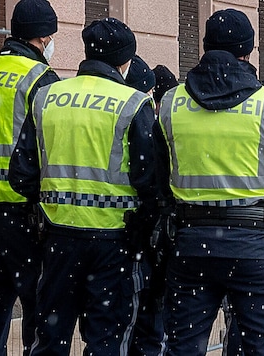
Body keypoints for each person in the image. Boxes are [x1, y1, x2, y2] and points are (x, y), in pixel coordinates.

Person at [154, 8, 264, 356]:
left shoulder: (171, 102)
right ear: (248, 52)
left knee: (182, 347)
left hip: (190, 246)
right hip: (257, 248)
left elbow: (155, 176)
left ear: (205, 48)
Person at [9, 17, 158, 355]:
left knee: (50, 338)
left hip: (58, 238)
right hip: (114, 242)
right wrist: (144, 225)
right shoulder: (133, 104)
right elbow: (151, 182)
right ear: (125, 61)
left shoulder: (47, 97)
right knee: (106, 339)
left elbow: (21, 173)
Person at [0, 0, 60, 354]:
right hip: (27, 214)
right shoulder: (40, 79)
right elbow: (50, 144)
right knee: (39, 312)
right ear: (43, 37)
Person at [124, 54, 168, 356]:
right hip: (140, 244)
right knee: (147, 327)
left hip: (127, 239)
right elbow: (150, 183)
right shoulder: (144, 125)